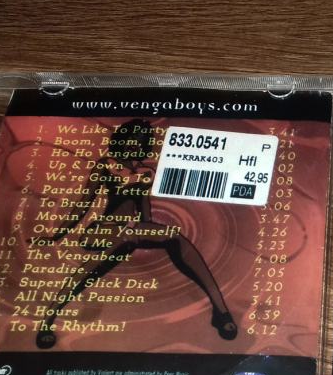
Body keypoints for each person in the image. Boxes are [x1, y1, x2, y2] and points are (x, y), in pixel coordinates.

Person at [33, 119, 236, 349]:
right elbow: (83, 204)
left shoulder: (146, 172)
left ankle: (221, 311)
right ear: (121, 140)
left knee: (175, 237)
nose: (134, 144)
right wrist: (57, 235)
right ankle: (48, 319)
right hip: (105, 228)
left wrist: (148, 231)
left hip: (133, 228)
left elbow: (145, 213)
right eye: (131, 139)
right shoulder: (105, 165)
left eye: (140, 141)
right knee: (101, 258)